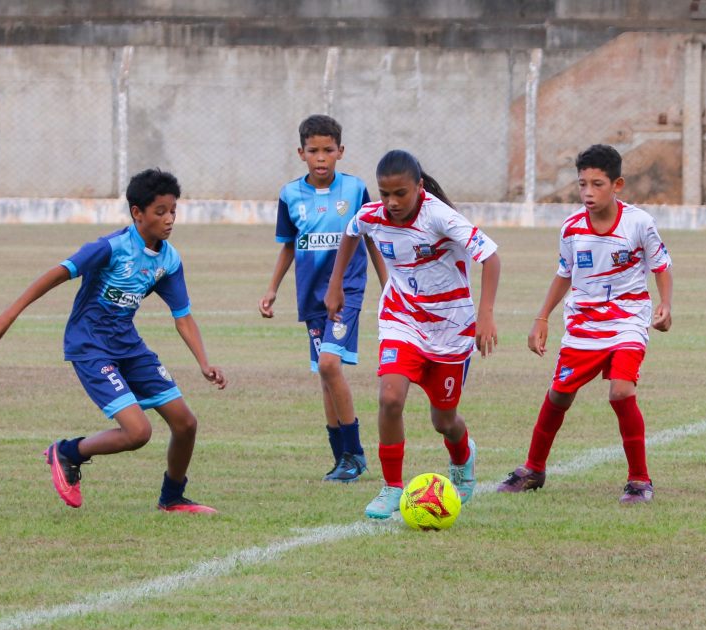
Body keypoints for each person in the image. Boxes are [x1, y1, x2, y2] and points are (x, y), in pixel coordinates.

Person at [0, 168, 227, 514]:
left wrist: (204, 362)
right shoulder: (111, 248)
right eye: (160, 212)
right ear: (137, 213)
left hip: (128, 345)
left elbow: (182, 315)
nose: (170, 219)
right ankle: (68, 452)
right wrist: (8, 315)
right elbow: (56, 274)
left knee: (186, 424)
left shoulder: (168, 259)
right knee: (138, 432)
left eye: (173, 210)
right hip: (91, 347)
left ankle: (172, 498)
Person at [325, 149, 501, 519]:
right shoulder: (374, 215)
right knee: (390, 398)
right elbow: (352, 232)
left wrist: (485, 315)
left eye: (400, 194)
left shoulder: (440, 216)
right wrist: (336, 283)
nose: (390, 203)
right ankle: (391, 487)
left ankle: (463, 457)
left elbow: (490, 257)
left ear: (419, 187)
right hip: (401, 319)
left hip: (451, 330)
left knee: (444, 420)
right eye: (384, 193)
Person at [497, 144, 673, 504]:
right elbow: (565, 273)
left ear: (617, 184)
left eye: (597, 184)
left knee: (621, 391)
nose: (588, 193)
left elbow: (661, 265)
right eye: (582, 185)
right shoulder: (572, 227)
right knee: (559, 395)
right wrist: (542, 317)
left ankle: (640, 480)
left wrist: (665, 304)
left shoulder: (639, 223)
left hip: (627, 319)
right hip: (583, 324)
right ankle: (534, 469)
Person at [259, 115, 387, 482]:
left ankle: (356, 453)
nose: (320, 158)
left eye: (328, 150)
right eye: (313, 151)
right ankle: (342, 458)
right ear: (301, 153)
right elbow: (289, 246)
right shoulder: (290, 195)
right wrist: (272, 288)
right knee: (325, 375)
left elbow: (369, 237)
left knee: (330, 366)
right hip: (311, 294)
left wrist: (387, 283)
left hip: (346, 290)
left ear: (340, 152)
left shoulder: (355, 189)